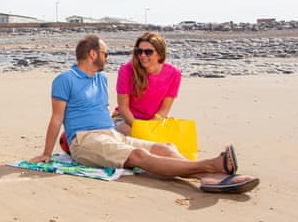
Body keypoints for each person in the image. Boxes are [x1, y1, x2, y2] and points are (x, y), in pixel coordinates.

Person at [30, 35, 259, 193]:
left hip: (110, 133)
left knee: (165, 147)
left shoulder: (101, 78)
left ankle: (207, 178)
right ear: (92, 54)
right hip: (86, 140)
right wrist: (46, 153)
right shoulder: (64, 80)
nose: (107, 57)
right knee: (139, 156)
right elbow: (56, 118)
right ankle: (210, 166)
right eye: (105, 53)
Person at [114, 31, 181, 135]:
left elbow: (164, 110)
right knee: (132, 133)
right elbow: (123, 108)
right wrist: (140, 128)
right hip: (127, 119)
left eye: (148, 52)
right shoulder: (126, 70)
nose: (142, 55)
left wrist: (150, 127)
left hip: (155, 120)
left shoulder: (174, 73)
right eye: (139, 51)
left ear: (160, 53)